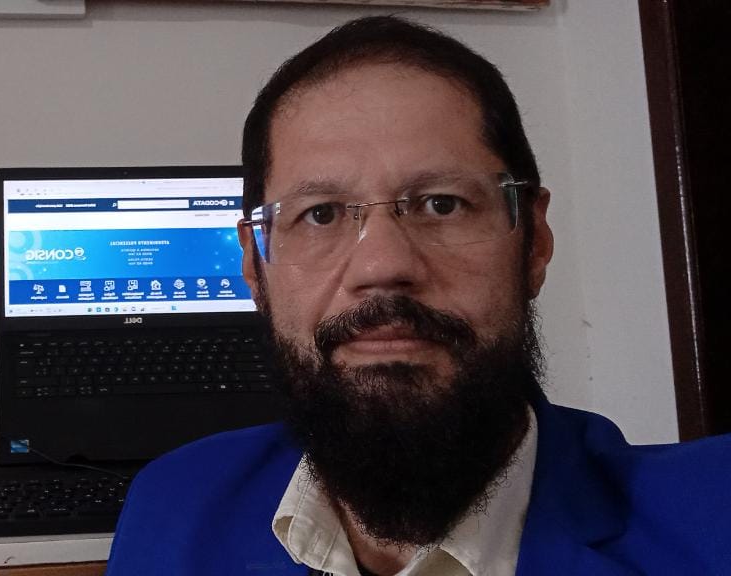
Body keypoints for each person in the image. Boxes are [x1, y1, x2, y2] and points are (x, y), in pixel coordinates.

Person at [105, 15, 731, 576]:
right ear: (252, 265)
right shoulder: (172, 507)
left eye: (442, 204)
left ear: (535, 241)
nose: (383, 266)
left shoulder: (714, 515)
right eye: (321, 214)